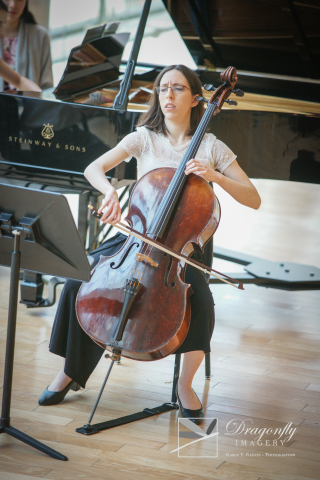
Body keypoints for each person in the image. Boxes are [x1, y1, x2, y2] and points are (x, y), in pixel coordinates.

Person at [38, 64, 261, 425]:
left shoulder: (211, 147)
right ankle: (71, 371)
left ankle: (184, 386)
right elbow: (93, 168)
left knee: (200, 302)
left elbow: (253, 199)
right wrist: (109, 191)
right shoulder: (144, 137)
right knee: (78, 281)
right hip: (136, 238)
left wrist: (215, 175)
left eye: (177, 88)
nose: (168, 95)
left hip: (183, 250)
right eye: (162, 89)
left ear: (194, 97)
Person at [0, 0, 53, 92]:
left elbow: (19, 80)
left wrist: (42, 98)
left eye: (3, 24)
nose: (2, 32)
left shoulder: (41, 35)